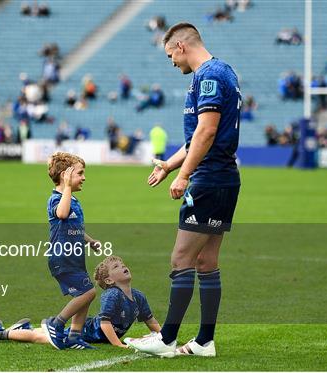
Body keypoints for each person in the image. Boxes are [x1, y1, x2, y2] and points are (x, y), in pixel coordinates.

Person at [125, 22, 241, 358]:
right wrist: (169, 165)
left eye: (170, 56)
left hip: (208, 179)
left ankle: (167, 339)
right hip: (224, 179)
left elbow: (206, 133)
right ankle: (205, 341)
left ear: (180, 46)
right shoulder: (222, 72)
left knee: (181, 259)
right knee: (206, 261)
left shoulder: (209, 76)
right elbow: (195, 140)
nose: (172, 63)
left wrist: (184, 175)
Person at [0, 256, 161, 348]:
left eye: (123, 264)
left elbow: (150, 320)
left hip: (90, 334)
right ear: (110, 281)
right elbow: (105, 324)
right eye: (117, 267)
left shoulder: (139, 296)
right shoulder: (111, 295)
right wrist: (118, 344)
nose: (124, 267)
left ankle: (22, 328)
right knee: (40, 338)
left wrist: (163, 337)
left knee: (39, 334)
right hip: (85, 333)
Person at [42, 152, 102, 350]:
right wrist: (67, 187)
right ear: (65, 176)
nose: (84, 177)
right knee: (88, 293)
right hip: (62, 257)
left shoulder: (73, 199)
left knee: (85, 294)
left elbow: (74, 227)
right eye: (80, 173)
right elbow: (62, 213)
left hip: (75, 258)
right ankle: (56, 323)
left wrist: (90, 240)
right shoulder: (56, 199)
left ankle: (75, 336)